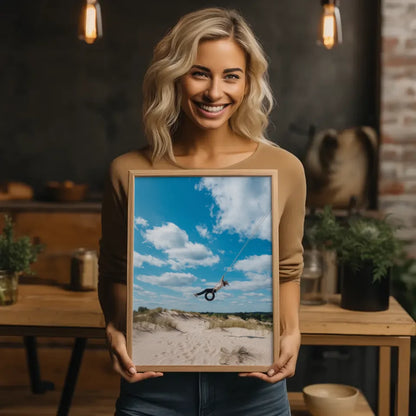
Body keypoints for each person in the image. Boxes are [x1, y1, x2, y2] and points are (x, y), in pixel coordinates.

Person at [98, 7, 306, 416]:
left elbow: (286, 270)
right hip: (152, 390)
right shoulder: (128, 170)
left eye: (231, 75)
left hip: (254, 393)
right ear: (173, 77)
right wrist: (113, 327)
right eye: (199, 73)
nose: (215, 93)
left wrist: (293, 332)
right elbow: (114, 271)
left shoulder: (285, 169)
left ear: (248, 84)